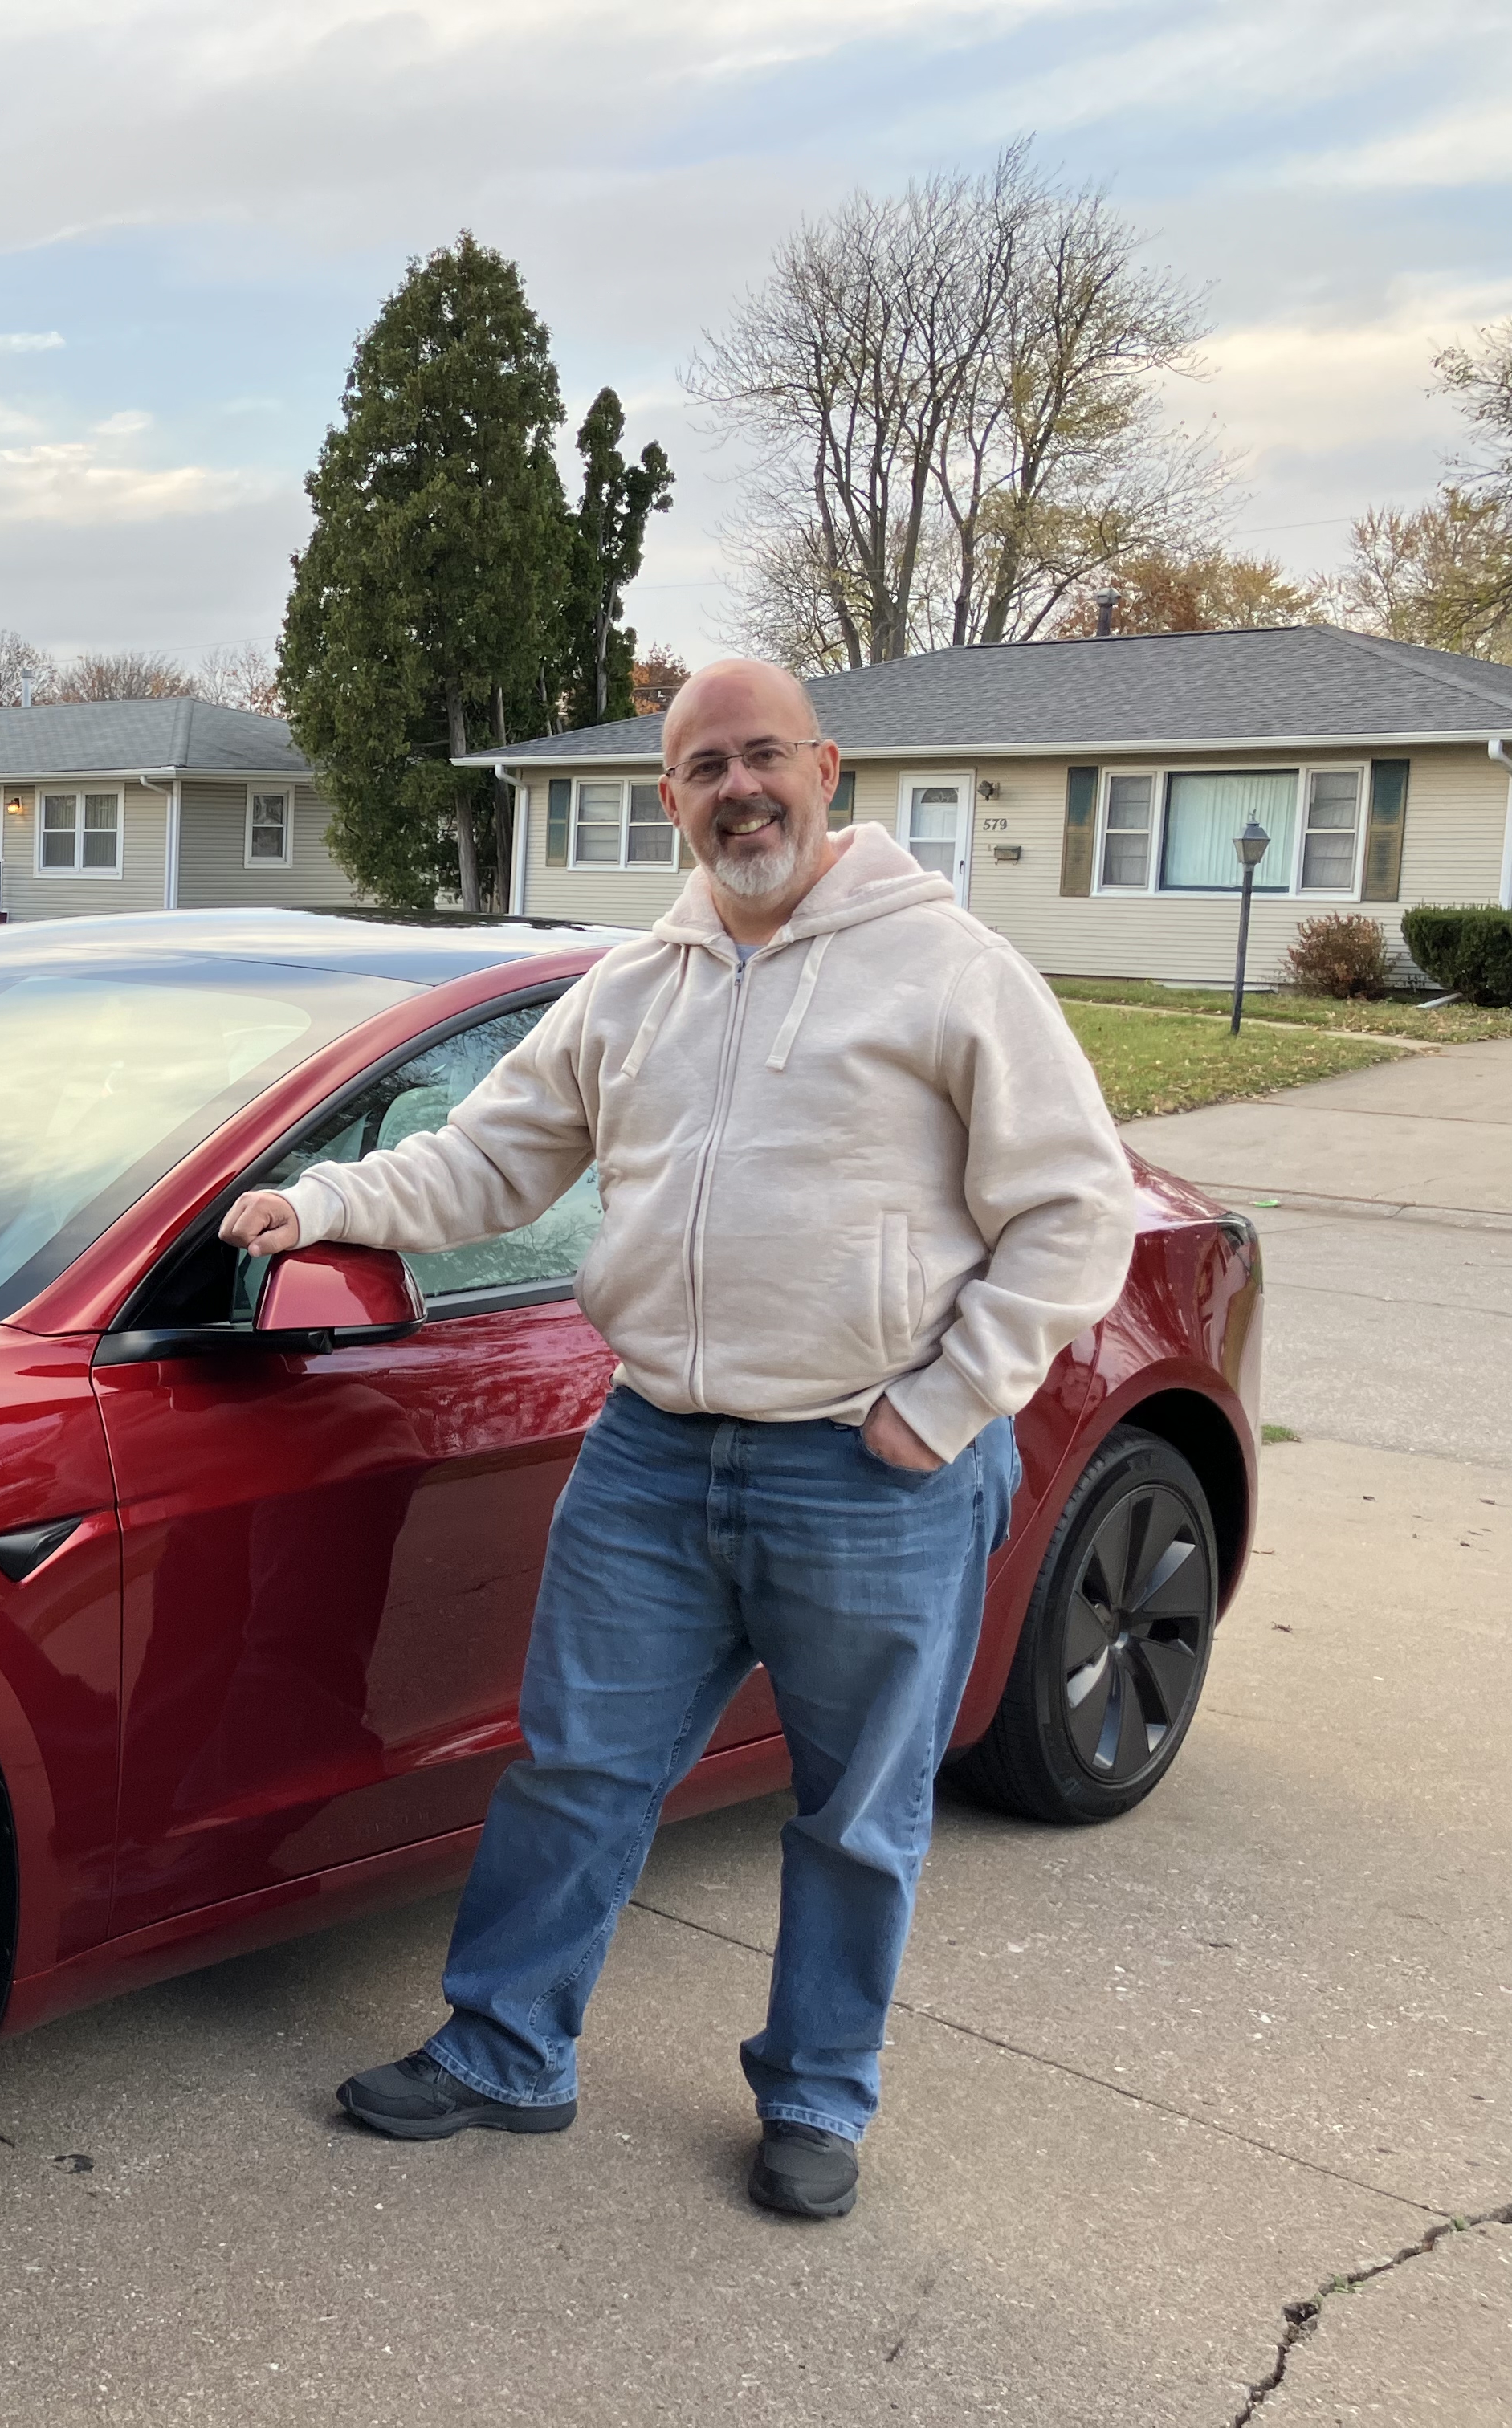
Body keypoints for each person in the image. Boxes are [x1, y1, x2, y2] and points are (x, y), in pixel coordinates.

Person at [218, 657, 1134, 2219]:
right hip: (652, 1455)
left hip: (873, 1471)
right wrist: (322, 1202)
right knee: (577, 1766)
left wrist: (943, 1402)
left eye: (762, 757)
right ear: (672, 800)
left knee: (857, 1814)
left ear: (826, 768)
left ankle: (818, 2099)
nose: (738, 791)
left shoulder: (950, 972)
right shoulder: (637, 987)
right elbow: (488, 1160)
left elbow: (1072, 1211)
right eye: (705, 769)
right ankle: (509, 2049)